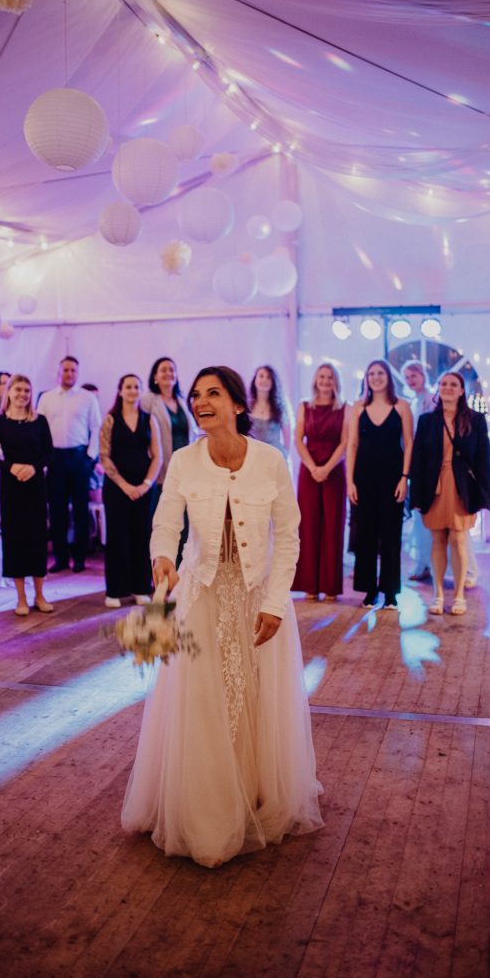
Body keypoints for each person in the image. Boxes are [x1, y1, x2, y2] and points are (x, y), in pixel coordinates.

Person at [121, 365, 323, 868]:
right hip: (200, 594)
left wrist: (275, 603)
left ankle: (257, 789)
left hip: (258, 597)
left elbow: (289, 537)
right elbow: (166, 523)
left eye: (213, 393)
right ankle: (208, 807)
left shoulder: (270, 461)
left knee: (255, 695)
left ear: (237, 404)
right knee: (205, 700)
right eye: (196, 395)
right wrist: (162, 558)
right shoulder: (184, 461)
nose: (201, 402)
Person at [410, 371, 490, 616]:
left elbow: (482, 460)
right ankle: (438, 595)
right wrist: (415, 496)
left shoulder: (475, 420)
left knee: (458, 539)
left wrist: (483, 496)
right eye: (444, 384)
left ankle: (458, 596)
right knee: (437, 539)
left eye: (453, 384)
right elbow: (418, 461)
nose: (447, 387)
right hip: (434, 487)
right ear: (438, 389)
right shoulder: (427, 421)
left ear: (461, 390)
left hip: (461, 488)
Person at [347, 359, 413, 610]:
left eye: (380, 373)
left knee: (391, 535)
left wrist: (404, 478)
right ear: (366, 378)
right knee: (365, 535)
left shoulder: (402, 406)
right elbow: (352, 445)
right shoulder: (358, 407)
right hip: (363, 478)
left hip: (392, 478)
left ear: (388, 377)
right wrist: (350, 481)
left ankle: (390, 592)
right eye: (371, 373)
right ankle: (370, 590)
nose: (376, 377)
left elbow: (409, 443)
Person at [0, 374, 54, 616]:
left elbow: (49, 453)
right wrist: (11, 467)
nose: (22, 394)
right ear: (9, 392)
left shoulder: (40, 421)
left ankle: (40, 595)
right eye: (18, 390)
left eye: (27, 390)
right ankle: (21, 598)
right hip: (11, 486)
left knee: (37, 538)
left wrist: (34, 468)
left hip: (35, 485)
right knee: (15, 540)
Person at [100, 374, 162, 608]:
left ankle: (141, 588)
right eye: (128, 386)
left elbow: (157, 456)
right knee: (117, 537)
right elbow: (104, 456)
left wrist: (146, 484)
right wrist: (125, 486)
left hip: (143, 488)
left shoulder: (149, 420)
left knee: (141, 536)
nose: (133, 390)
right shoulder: (110, 419)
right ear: (120, 391)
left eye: (136, 386)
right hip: (117, 487)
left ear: (141, 390)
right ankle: (115, 591)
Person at [36, 356, 101, 573]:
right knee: (57, 511)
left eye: (73, 370)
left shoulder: (87, 398)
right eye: (65, 370)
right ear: (58, 372)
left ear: (77, 373)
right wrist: (44, 459)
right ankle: (60, 558)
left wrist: (90, 457)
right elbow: (40, 429)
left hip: (79, 458)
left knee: (81, 511)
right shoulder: (46, 398)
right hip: (54, 458)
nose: (69, 373)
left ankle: (80, 558)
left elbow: (96, 428)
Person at [291, 362, 348, 601]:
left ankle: (331, 586)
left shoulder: (345, 408)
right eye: (322, 377)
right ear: (316, 380)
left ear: (336, 382)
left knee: (333, 526)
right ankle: (310, 586)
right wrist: (314, 467)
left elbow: (345, 443)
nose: (325, 381)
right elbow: (298, 440)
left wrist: (326, 468)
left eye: (330, 377)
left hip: (334, 471)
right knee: (308, 526)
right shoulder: (304, 406)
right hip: (309, 471)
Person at [140, 357, 196, 493]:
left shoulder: (182, 400)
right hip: (162, 465)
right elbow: (141, 432)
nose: (168, 373)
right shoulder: (148, 400)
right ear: (155, 377)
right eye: (163, 370)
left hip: (187, 465)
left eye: (172, 370)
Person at [402, 361, 435, 581]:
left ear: (423, 375)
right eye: (407, 377)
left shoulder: (432, 399)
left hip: (429, 463)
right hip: (416, 464)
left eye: (413, 375)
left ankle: (436, 564)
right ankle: (424, 562)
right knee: (419, 515)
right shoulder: (413, 402)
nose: (410, 380)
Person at [248, 365, 291, 458]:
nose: (264, 380)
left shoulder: (280, 407)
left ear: (273, 382)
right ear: (255, 379)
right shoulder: (247, 406)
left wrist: (285, 455)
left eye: (268, 377)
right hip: (253, 456)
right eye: (261, 376)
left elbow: (287, 435)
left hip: (274, 456)